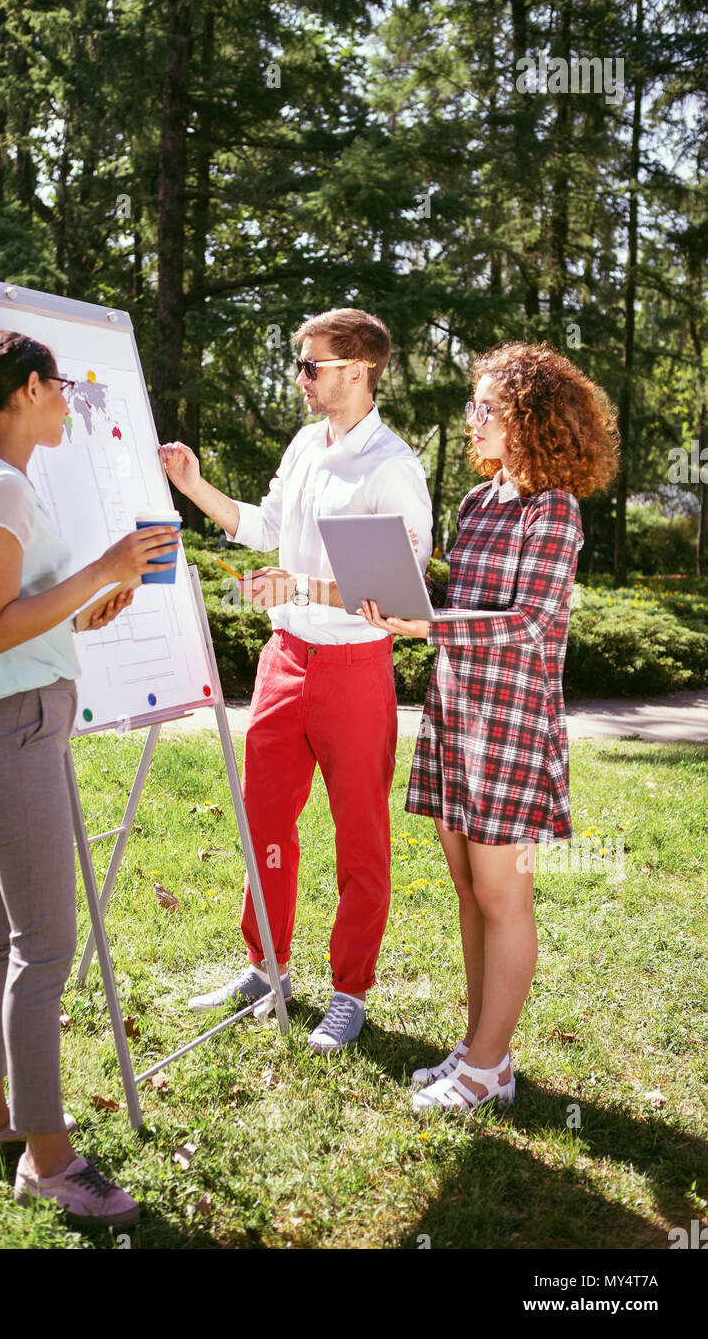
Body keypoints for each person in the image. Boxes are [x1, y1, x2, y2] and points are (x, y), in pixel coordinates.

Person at [0, 328, 179, 1225]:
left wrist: (92, 600)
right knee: (45, 950)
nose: (71, 400)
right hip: (17, 734)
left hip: (9, 726)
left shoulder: (0, 483)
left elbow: (14, 620)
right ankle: (48, 1160)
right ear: (31, 389)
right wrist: (106, 568)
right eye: (63, 387)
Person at [160, 309, 433, 1053]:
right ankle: (267, 967)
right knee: (265, 825)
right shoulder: (308, 443)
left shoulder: (394, 469)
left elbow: (399, 594)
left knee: (360, 837)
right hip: (283, 662)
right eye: (300, 366)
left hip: (354, 671)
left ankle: (350, 992)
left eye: (311, 367)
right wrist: (194, 487)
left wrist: (303, 589)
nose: (301, 380)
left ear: (359, 369)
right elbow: (265, 524)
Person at [360, 341, 619, 1112]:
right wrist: (398, 587)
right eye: (472, 408)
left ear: (528, 420)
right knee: (469, 890)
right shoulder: (477, 504)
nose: (471, 421)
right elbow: (461, 597)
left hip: (510, 723)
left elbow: (534, 622)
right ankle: (483, 1056)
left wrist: (427, 622)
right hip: (455, 713)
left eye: (486, 410)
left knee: (505, 897)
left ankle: (486, 1065)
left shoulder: (555, 508)